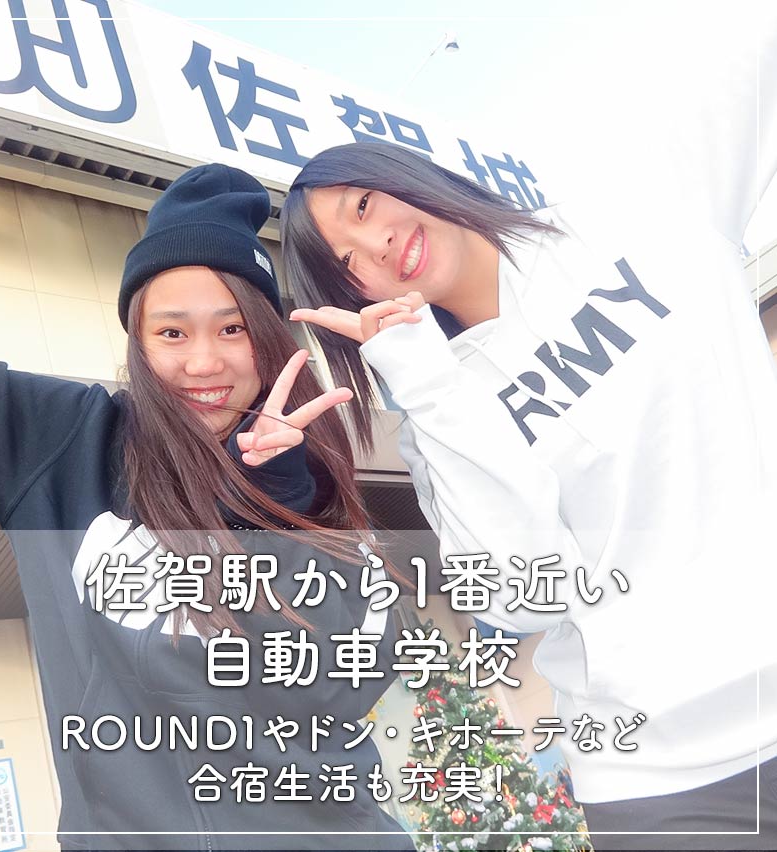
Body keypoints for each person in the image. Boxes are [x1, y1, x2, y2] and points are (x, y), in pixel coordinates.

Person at [280, 13, 777, 850]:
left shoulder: (635, 204)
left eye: (364, 205)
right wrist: (427, 385)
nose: (378, 242)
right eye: (349, 261)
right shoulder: (440, 412)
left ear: (402, 174)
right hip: (664, 782)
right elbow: (522, 599)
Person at [0, 164, 414, 852]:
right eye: (173, 333)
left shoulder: (313, 477)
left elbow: (346, 684)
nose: (204, 363)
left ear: (268, 340)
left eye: (233, 329)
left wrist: (273, 513)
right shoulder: (63, 442)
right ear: (138, 340)